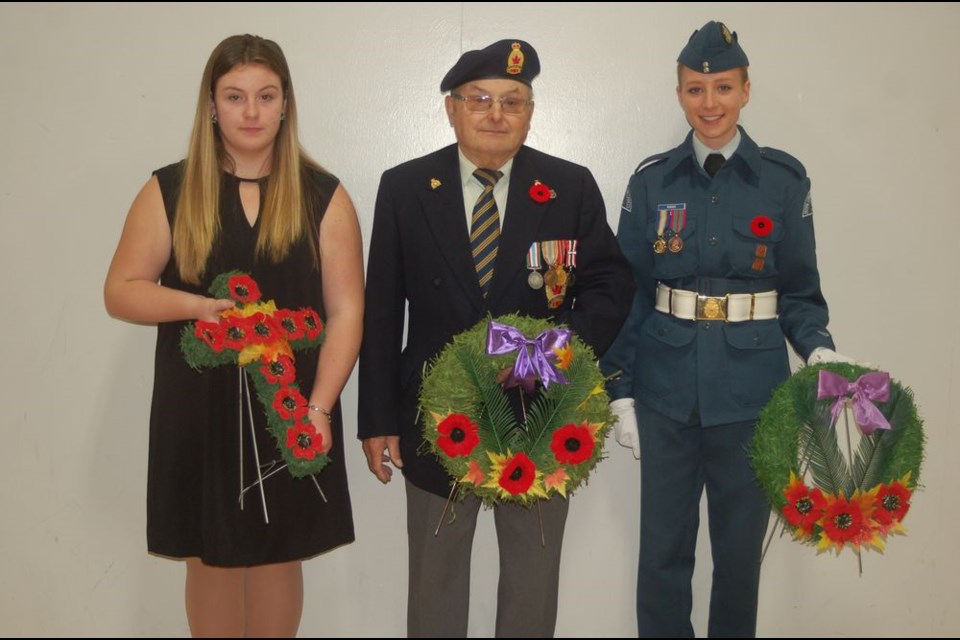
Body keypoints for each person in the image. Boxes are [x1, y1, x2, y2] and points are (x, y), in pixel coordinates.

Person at [358, 39, 633, 638]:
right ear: (452, 108)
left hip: (540, 414)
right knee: (435, 584)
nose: (496, 113)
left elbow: (611, 284)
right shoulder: (405, 188)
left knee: (533, 585)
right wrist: (376, 416)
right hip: (437, 418)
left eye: (513, 101)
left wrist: (555, 354)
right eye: (480, 99)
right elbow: (380, 310)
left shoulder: (569, 186)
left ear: (531, 112)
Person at [601, 20, 855, 638]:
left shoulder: (782, 181)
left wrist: (818, 347)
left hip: (752, 396)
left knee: (739, 557)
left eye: (721, 87)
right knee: (662, 554)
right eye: (694, 89)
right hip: (665, 391)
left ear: (746, 90)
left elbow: (798, 289)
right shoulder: (652, 181)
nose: (708, 103)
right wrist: (621, 389)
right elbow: (627, 293)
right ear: (680, 93)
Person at [104, 34, 362, 637]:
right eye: (236, 96)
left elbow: (348, 311)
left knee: (280, 554)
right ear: (212, 105)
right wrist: (198, 306)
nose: (251, 111)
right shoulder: (169, 190)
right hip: (197, 409)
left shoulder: (323, 195)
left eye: (265, 96)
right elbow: (121, 289)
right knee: (209, 557)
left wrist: (319, 408)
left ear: (285, 104)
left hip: (292, 404)